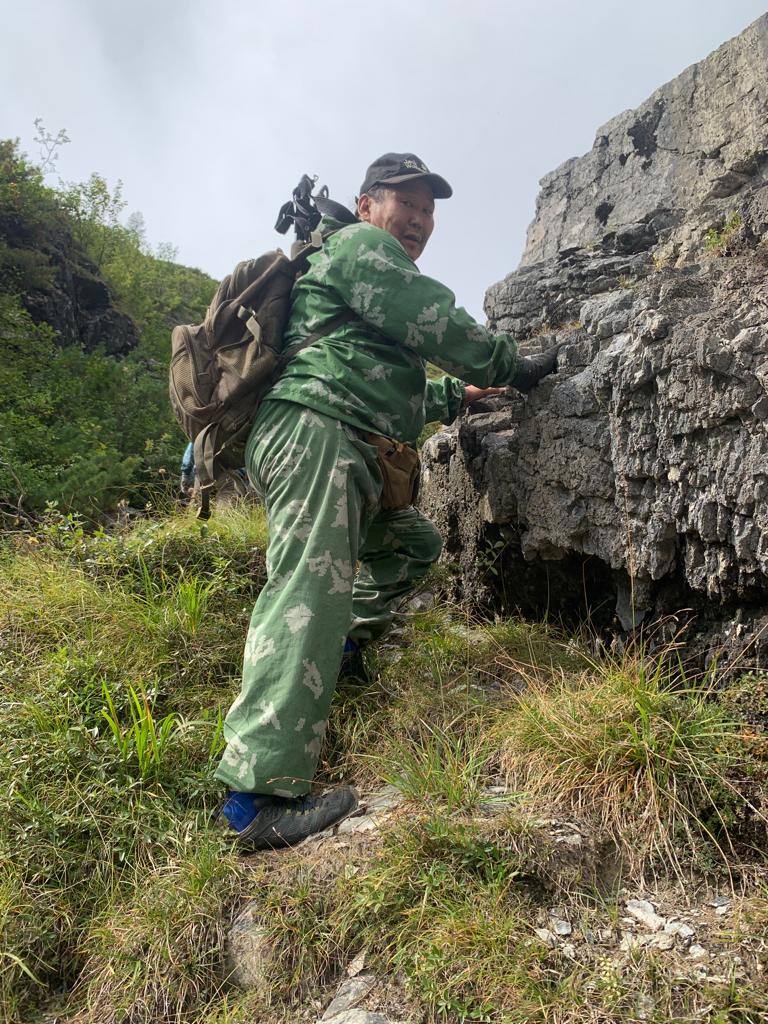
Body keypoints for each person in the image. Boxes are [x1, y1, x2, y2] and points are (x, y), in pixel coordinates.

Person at [215, 153, 558, 850]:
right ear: (368, 205)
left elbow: (380, 376)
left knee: (412, 546)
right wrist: (506, 365)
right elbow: (431, 321)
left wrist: (453, 396)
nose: (421, 219)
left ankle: (336, 652)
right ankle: (256, 797)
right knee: (309, 585)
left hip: (341, 431)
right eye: (408, 202)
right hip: (317, 431)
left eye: (430, 210)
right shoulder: (359, 245)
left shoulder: (348, 266)